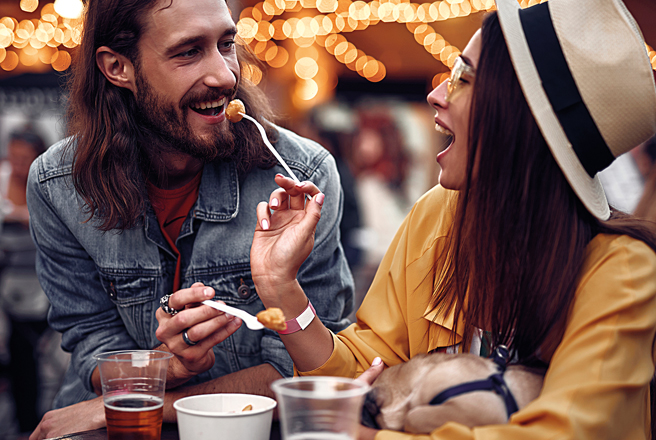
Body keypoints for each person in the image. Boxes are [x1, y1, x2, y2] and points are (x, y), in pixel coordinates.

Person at [248, 0, 656, 439]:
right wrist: (279, 286)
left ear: (522, 118)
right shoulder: (436, 214)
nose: (436, 95)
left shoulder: (624, 272)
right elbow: (369, 370)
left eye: (464, 78)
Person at [27, 0, 353, 438]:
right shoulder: (58, 185)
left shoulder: (303, 178)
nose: (225, 76)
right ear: (117, 67)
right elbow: (90, 342)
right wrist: (167, 367)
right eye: (188, 52)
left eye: (226, 44)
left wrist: (137, 406)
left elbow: (311, 368)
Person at [0, 128, 47, 226]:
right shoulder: (0, 175)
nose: (17, 166)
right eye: (13, 158)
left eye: (24, 160)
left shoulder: (45, 182)